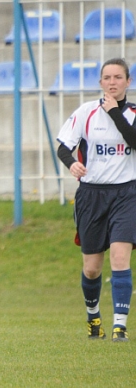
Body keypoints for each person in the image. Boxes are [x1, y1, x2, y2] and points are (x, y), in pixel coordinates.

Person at [56, 57, 135, 343]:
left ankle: (120, 326)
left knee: (119, 256)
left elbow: (134, 140)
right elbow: (64, 147)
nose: (112, 82)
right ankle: (94, 318)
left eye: (118, 77)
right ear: (100, 82)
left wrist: (115, 113)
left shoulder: (133, 112)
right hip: (91, 195)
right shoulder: (86, 112)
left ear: (128, 81)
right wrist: (72, 164)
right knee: (92, 267)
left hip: (127, 193)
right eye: (107, 78)